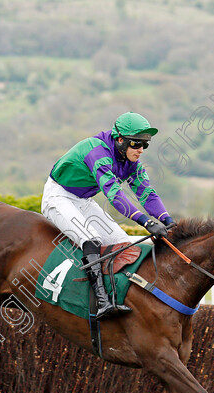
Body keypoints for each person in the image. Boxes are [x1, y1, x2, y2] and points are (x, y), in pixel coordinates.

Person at [41, 111, 175, 320]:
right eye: (136, 143)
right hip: (58, 197)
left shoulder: (131, 162)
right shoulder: (97, 152)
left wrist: (169, 221)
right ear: (119, 139)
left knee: (122, 243)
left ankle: (118, 296)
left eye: (145, 145)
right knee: (91, 239)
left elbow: (147, 194)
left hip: (83, 200)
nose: (140, 150)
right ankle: (102, 301)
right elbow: (116, 196)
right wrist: (147, 222)